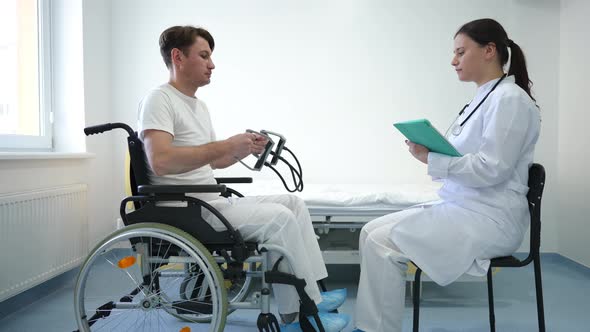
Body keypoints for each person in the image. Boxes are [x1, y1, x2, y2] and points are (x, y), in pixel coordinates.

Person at [137, 25, 347, 328]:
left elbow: (215, 160)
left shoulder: (198, 105)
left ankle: (311, 294)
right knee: (279, 219)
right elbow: (162, 162)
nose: (212, 64)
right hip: (184, 209)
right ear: (177, 57)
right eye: (204, 55)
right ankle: (297, 317)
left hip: (206, 203)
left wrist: (242, 148)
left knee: (293, 204)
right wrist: (226, 145)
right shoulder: (159, 100)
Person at [353, 18, 541, 332]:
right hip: (466, 207)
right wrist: (430, 154)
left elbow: (492, 169)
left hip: (491, 219)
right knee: (369, 231)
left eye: (460, 52)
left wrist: (434, 159)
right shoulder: (483, 99)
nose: (453, 61)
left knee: (382, 244)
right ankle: (372, 326)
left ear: (489, 51)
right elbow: (466, 160)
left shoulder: (510, 101)